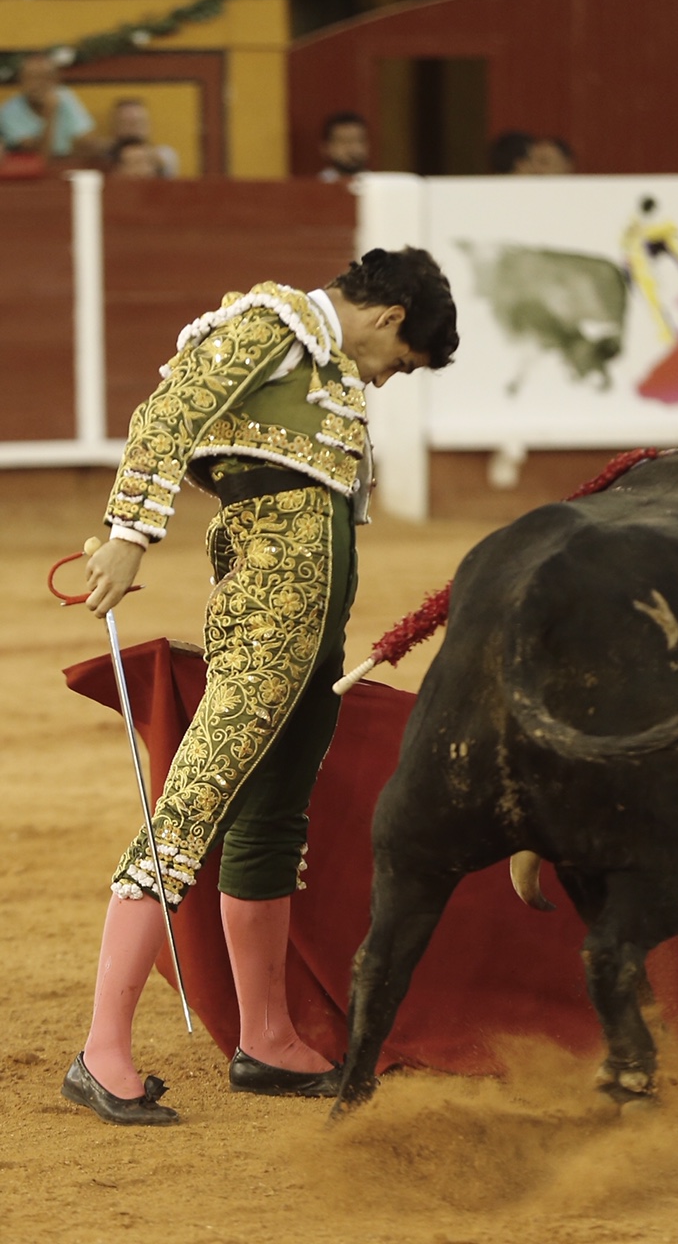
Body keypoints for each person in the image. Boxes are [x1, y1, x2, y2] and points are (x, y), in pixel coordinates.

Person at [61, 247, 459, 1126]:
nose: (386, 379)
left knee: (272, 819)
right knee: (187, 812)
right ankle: (101, 1052)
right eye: (401, 363)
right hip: (267, 620)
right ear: (390, 318)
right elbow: (169, 412)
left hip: (312, 632)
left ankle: (267, 1038)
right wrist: (129, 533)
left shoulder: (324, 363)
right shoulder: (272, 325)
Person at [0, 51, 99, 163]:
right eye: (32, 78)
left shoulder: (64, 96)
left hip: (68, 162)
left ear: (56, 80)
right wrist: (50, 111)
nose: (38, 84)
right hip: (32, 170)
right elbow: (40, 158)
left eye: (46, 78)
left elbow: (88, 141)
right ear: (20, 81)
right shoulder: (8, 112)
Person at [108, 98, 179, 178]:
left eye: (138, 122)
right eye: (126, 123)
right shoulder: (104, 156)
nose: (133, 128)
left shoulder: (163, 155)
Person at [317, 111, 369, 183]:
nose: (352, 148)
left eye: (358, 140)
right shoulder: (318, 184)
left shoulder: (377, 183)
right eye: (344, 141)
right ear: (326, 148)